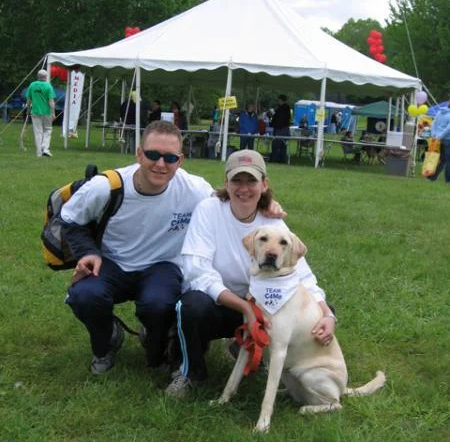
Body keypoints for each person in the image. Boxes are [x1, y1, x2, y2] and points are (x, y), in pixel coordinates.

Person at [165, 149, 336, 398]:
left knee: (315, 310)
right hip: (221, 303)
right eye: (237, 180)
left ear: (264, 184)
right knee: (191, 306)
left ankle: (253, 350)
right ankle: (190, 373)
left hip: (261, 308)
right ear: (226, 183)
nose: (244, 188)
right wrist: (246, 309)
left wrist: (328, 314)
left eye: (251, 181)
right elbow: (197, 271)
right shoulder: (209, 210)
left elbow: (303, 276)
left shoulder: (274, 224)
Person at [60, 120, 214, 376]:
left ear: (181, 160)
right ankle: (106, 340)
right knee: (85, 296)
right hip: (111, 263)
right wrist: (88, 252)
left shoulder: (195, 189)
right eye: (153, 155)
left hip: (162, 266)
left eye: (170, 158)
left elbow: (229, 207)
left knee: (158, 304)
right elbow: (69, 219)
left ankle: (155, 348)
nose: (161, 164)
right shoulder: (106, 186)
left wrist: (267, 207)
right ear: (139, 153)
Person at [26, 69, 56, 157]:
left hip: (35, 111)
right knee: (48, 129)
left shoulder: (32, 85)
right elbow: (51, 101)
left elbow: (28, 100)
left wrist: (28, 110)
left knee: (38, 132)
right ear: (46, 77)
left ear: (37, 76)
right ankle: (45, 148)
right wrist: (53, 112)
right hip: (47, 112)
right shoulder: (48, 86)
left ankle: (39, 152)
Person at [427, 99, 450, 183]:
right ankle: (448, 181)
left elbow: (433, 124)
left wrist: (434, 135)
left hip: (437, 139)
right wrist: (440, 136)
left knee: (440, 160)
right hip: (447, 139)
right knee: (448, 161)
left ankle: (432, 178)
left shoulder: (440, 112)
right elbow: (448, 128)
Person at [270, 94, 291, 163]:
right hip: (283, 129)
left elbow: (279, 119)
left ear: (281, 100)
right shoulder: (285, 108)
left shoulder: (283, 109)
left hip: (280, 129)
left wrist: (273, 122)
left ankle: (275, 159)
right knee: (282, 146)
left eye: (278, 100)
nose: (277, 101)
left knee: (276, 145)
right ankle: (282, 159)